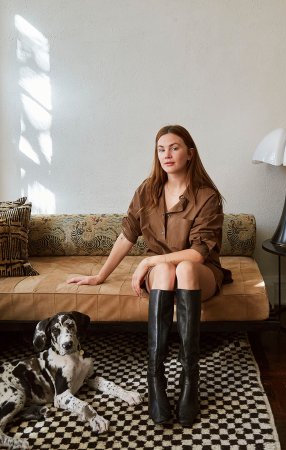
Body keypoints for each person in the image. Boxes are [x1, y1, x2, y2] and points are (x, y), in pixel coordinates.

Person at [67, 125, 231, 427]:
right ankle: (156, 379)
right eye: (161, 149)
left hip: (200, 272)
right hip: (163, 273)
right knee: (168, 269)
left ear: (190, 153)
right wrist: (99, 276)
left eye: (175, 147)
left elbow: (197, 255)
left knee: (181, 267)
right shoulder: (147, 191)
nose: (167, 154)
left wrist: (149, 261)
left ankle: (189, 379)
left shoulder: (207, 197)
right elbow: (126, 237)